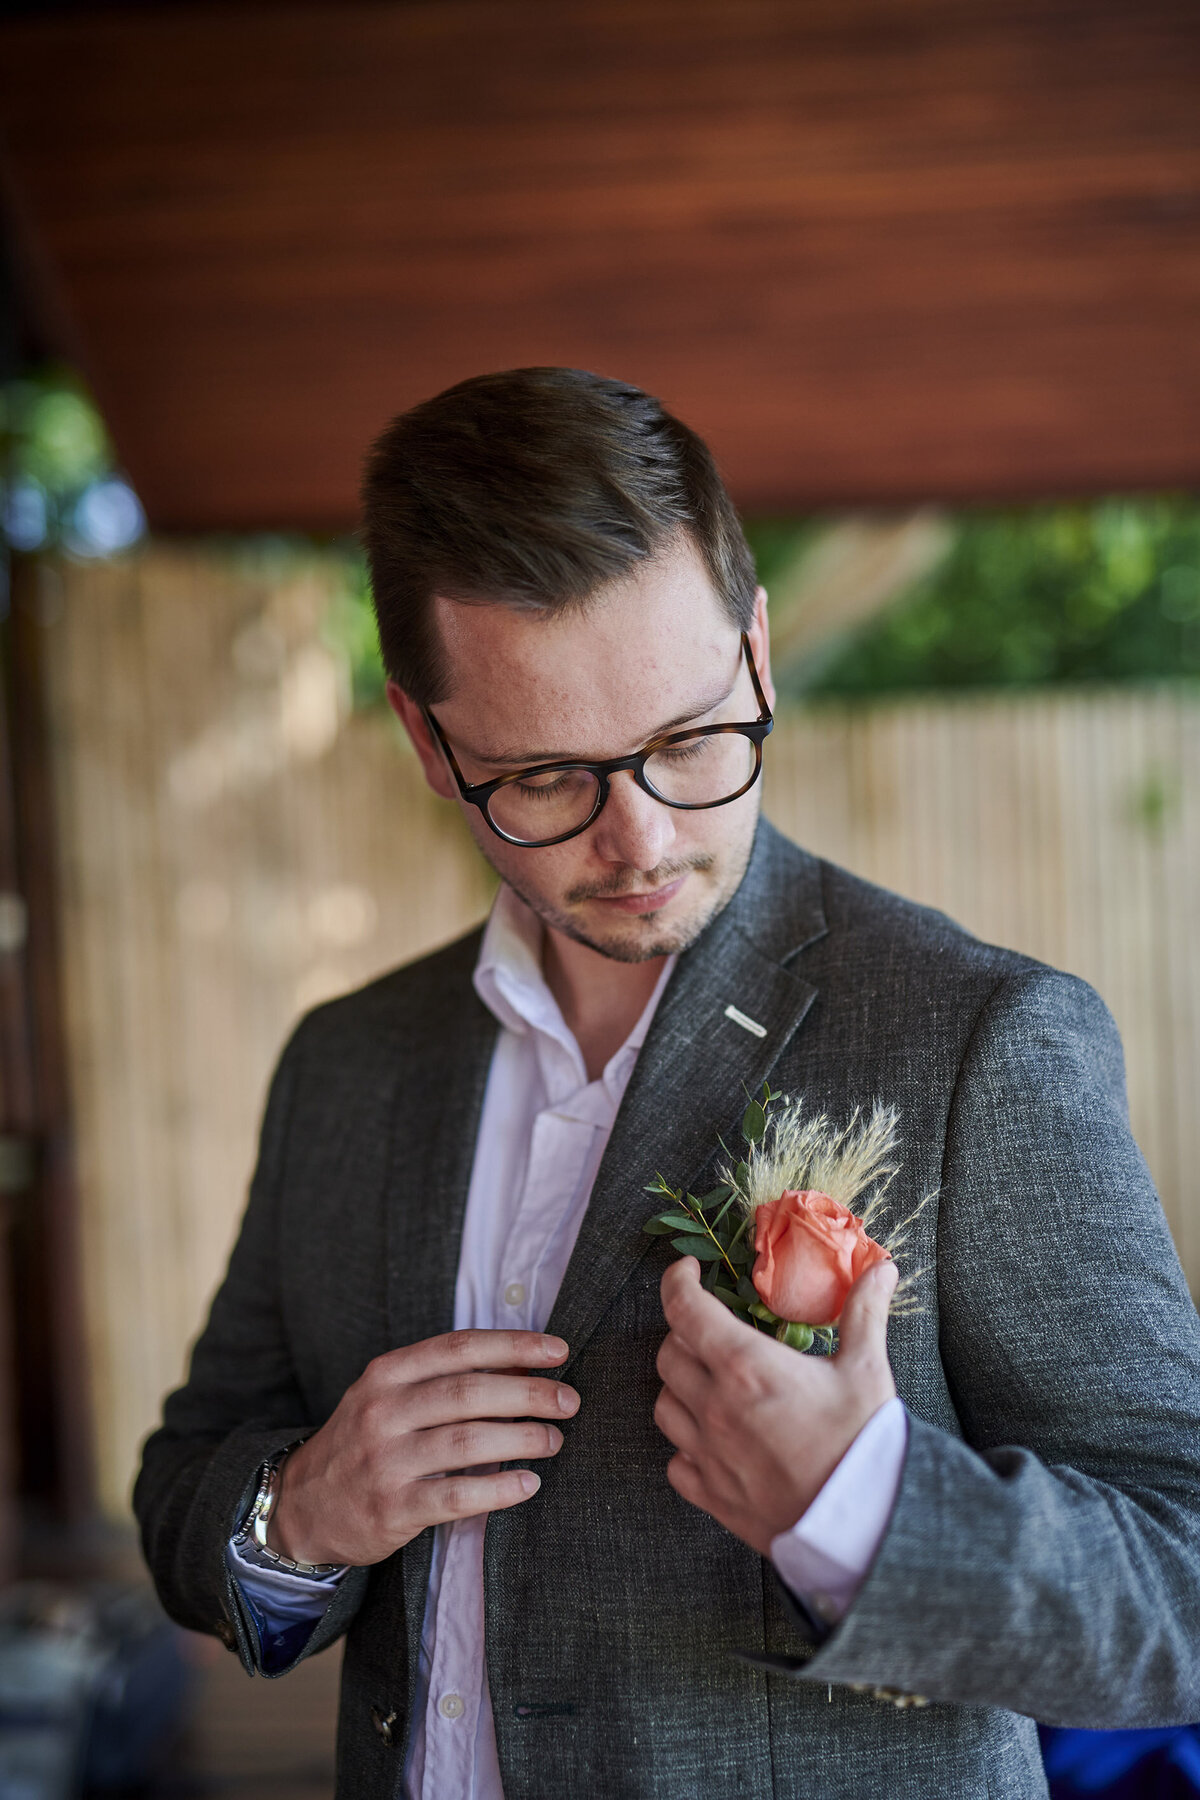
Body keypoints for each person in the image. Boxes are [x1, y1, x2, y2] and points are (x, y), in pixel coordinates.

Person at [134, 367, 1200, 1800]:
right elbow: (187, 1479)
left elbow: (1180, 1582)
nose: (639, 840)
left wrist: (867, 1506)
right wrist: (300, 1514)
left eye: (693, 739)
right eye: (547, 777)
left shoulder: (982, 1037)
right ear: (425, 740)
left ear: (756, 652)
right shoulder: (346, 1064)